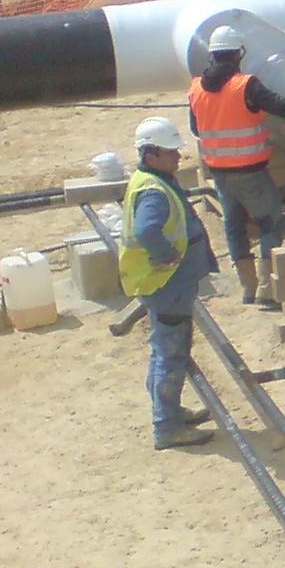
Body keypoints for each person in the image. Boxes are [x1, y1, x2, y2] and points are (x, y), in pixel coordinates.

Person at [187, 23, 285, 308]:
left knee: (234, 227)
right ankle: (267, 288)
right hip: (251, 172)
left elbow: (196, 129)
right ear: (238, 54)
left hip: (220, 174)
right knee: (270, 222)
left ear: (212, 55)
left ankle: (248, 287)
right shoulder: (246, 85)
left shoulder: (197, 87)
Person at [119, 118, 218, 450]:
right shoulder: (154, 192)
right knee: (172, 353)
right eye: (171, 152)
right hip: (168, 284)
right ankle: (167, 426)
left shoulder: (152, 179)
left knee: (163, 348)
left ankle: (169, 413)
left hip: (163, 284)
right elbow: (147, 230)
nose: (178, 156)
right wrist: (166, 255)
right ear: (151, 155)